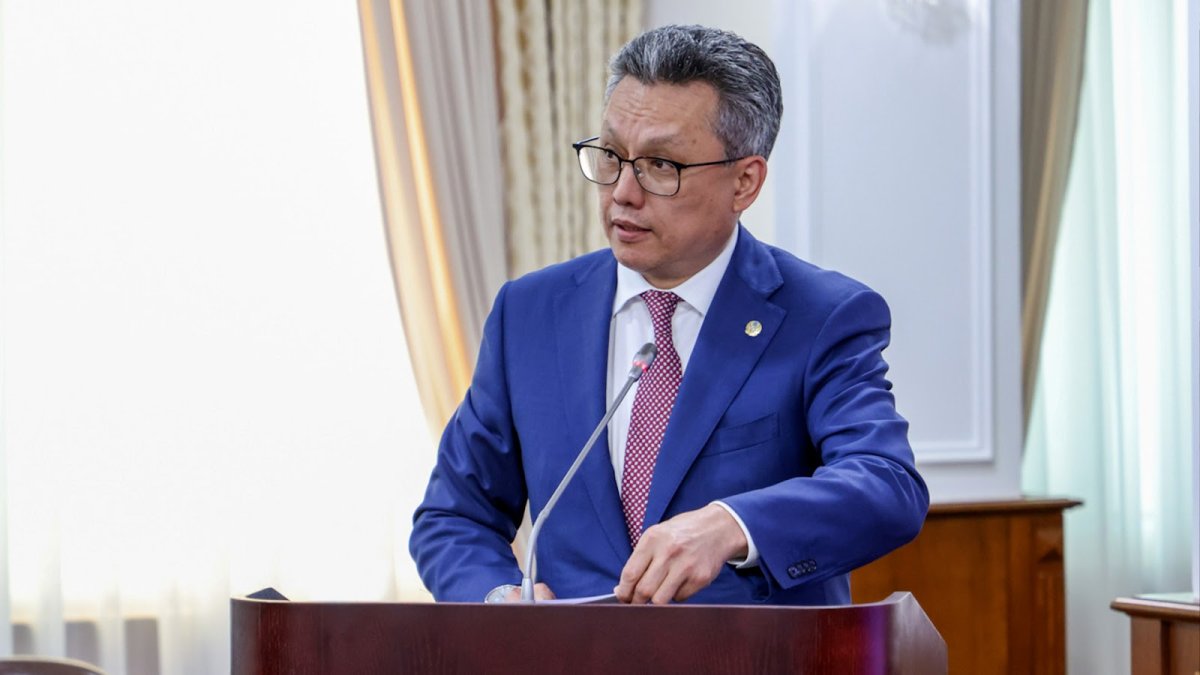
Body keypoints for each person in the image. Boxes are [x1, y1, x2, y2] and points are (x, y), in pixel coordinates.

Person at [410, 24, 928, 606]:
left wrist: (732, 523)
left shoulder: (822, 316)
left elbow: (886, 485)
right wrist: (498, 597)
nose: (622, 193)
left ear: (745, 182)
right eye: (611, 156)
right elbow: (454, 516)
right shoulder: (529, 313)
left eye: (660, 165)